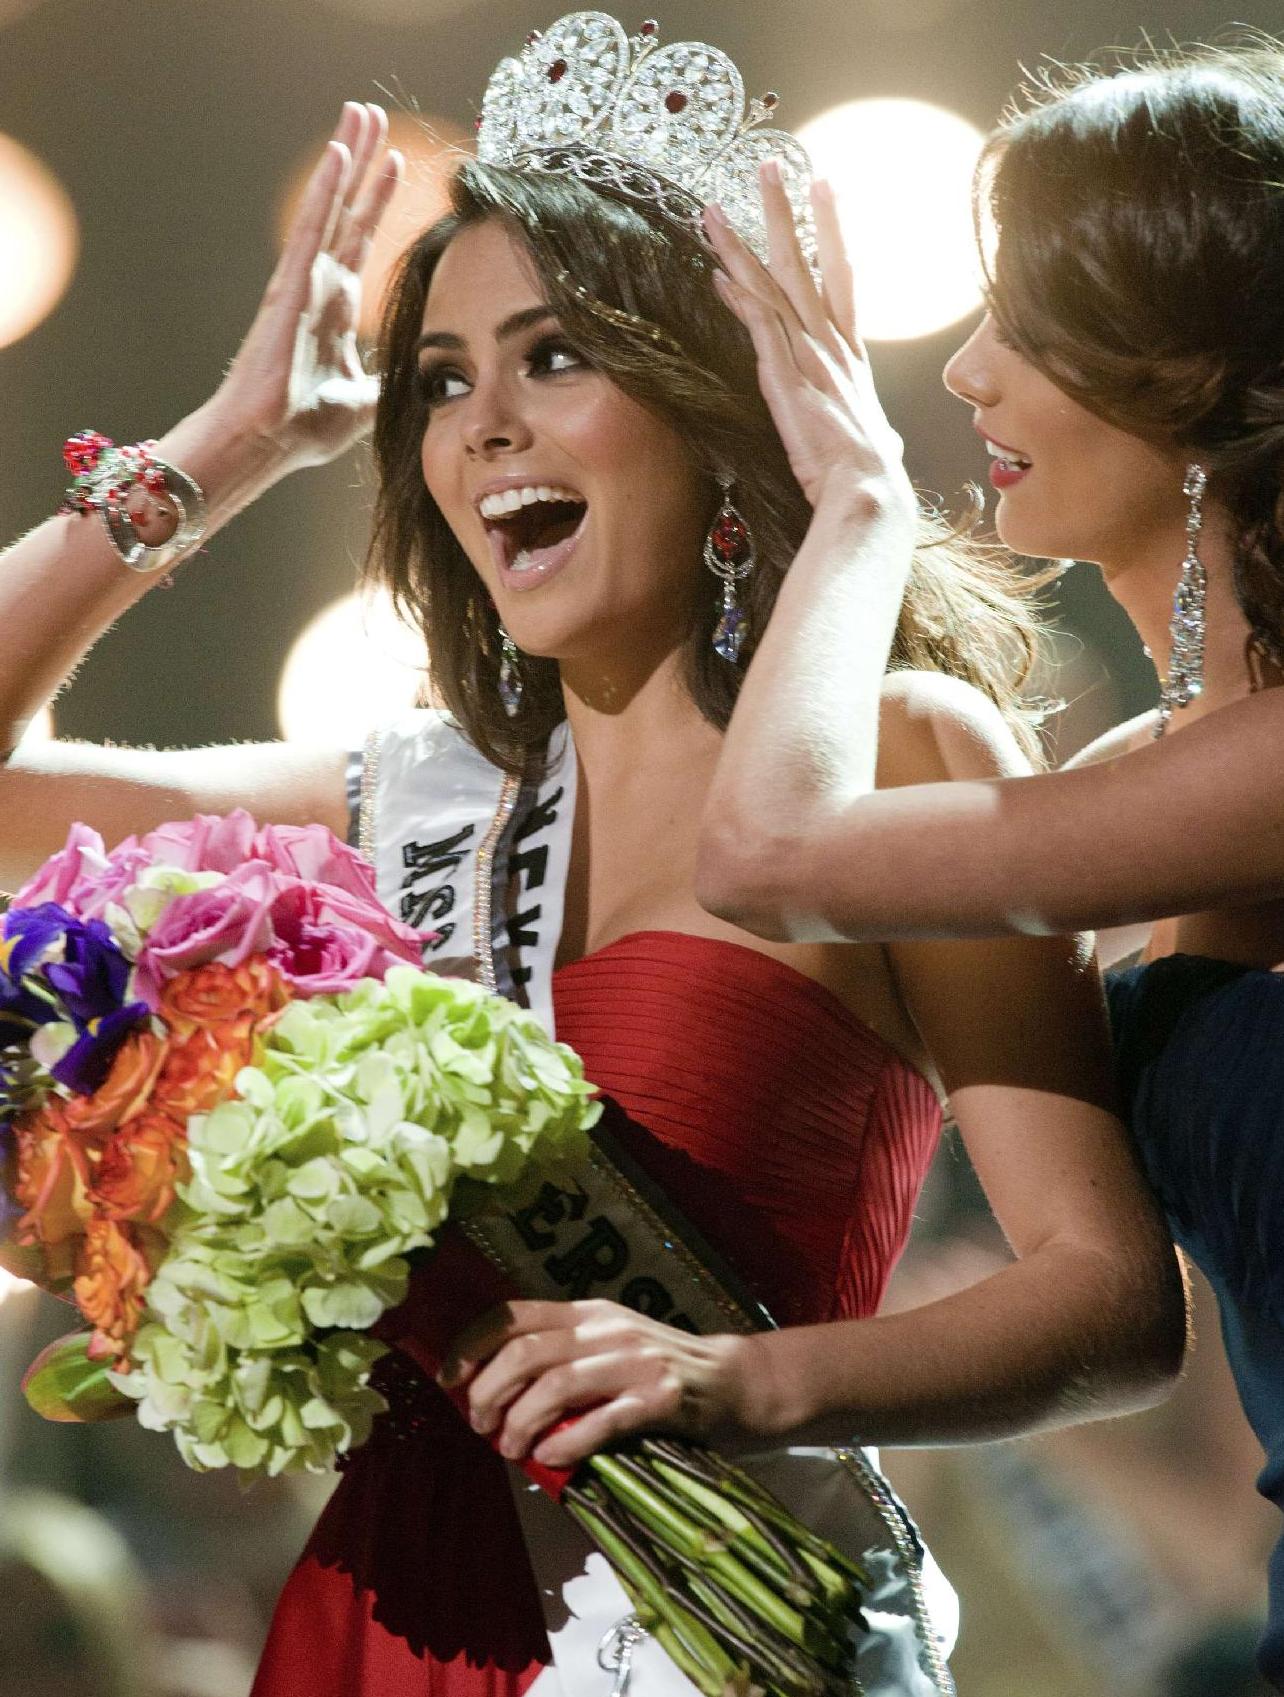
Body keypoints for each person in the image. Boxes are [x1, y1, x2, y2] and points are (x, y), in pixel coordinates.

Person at [0, 19, 1185, 1697]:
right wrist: (235, 440)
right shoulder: (407, 795)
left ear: (712, 407)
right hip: (379, 1633)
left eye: (554, 358)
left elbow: (1111, 1299)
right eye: (441, 380)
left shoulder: (904, 756)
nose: (484, 425)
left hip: (709, 1626)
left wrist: (738, 1381)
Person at [697, 37, 1284, 1693]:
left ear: (1195, 370)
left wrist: (859, 508)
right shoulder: (1147, 780)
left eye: (1027, 322)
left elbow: (771, 848)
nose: (965, 370)